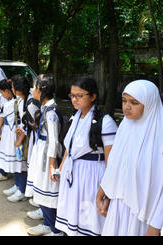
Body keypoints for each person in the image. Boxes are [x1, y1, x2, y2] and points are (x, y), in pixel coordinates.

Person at [97, 80, 163, 236]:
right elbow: (116, 166)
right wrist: (105, 190)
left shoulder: (159, 138)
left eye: (134, 102)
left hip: (143, 214)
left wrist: (156, 224)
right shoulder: (125, 128)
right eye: (124, 100)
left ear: (150, 104)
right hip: (118, 208)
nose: (126, 107)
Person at [54, 77, 117, 236]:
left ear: (93, 96)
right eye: (72, 95)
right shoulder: (75, 117)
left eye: (79, 96)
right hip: (74, 173)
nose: (74, 99)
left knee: (89, 219)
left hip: (92, 176)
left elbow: (112, 161)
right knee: (74, 215)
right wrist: (60, 169)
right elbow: (70, 148)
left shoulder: (105, 122)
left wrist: (108, 191)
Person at [25, 74, 63, 236]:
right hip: (41, 150)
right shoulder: (46, 108)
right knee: (41, 188)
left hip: (47, 155)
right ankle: (47, 223)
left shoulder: (51, 113)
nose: (32, 90)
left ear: (41, 90)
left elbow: (54, 141)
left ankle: (55, 229)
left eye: (34, 87)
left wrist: (52, 165)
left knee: (47, 189)